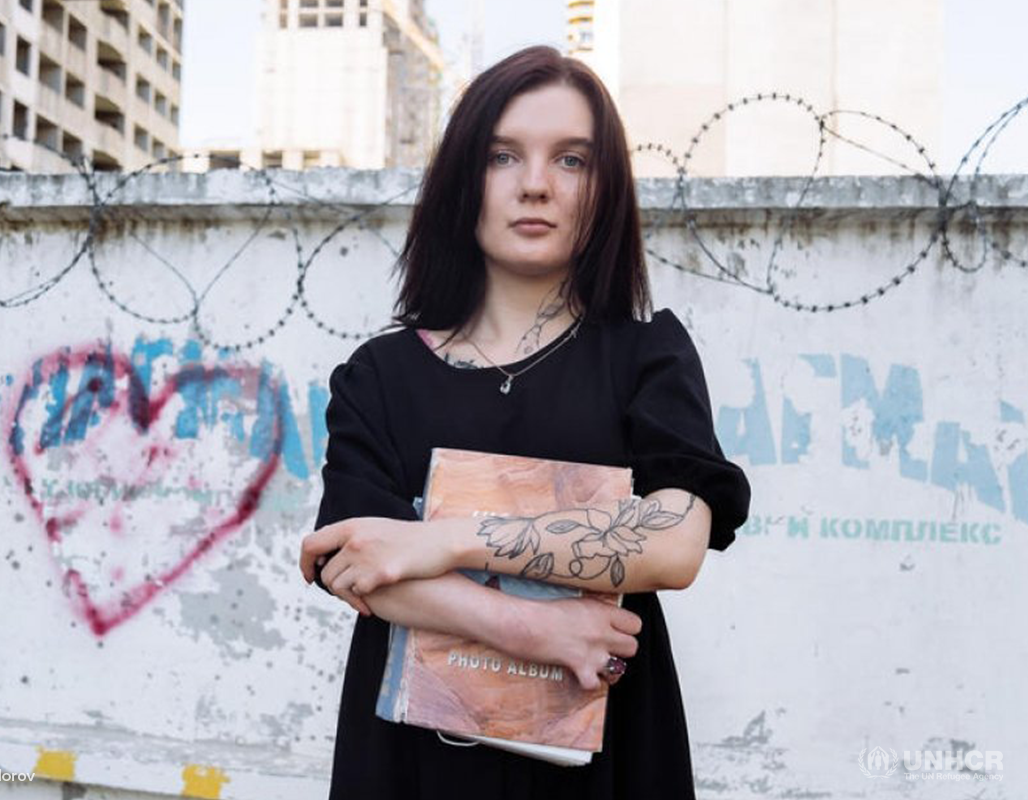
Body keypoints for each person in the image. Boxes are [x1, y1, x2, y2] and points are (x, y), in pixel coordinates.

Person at [299, 45, 751, 799]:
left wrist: (442, 539)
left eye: (572, 161)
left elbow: (673, 546)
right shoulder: (380, 376)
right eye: (503, 155)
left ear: (605, 190)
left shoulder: (647, 357)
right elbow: (358, 565)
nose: (536, 185)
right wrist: (533, 629)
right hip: (413, 763)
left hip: (603, 761)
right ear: (461, 179)